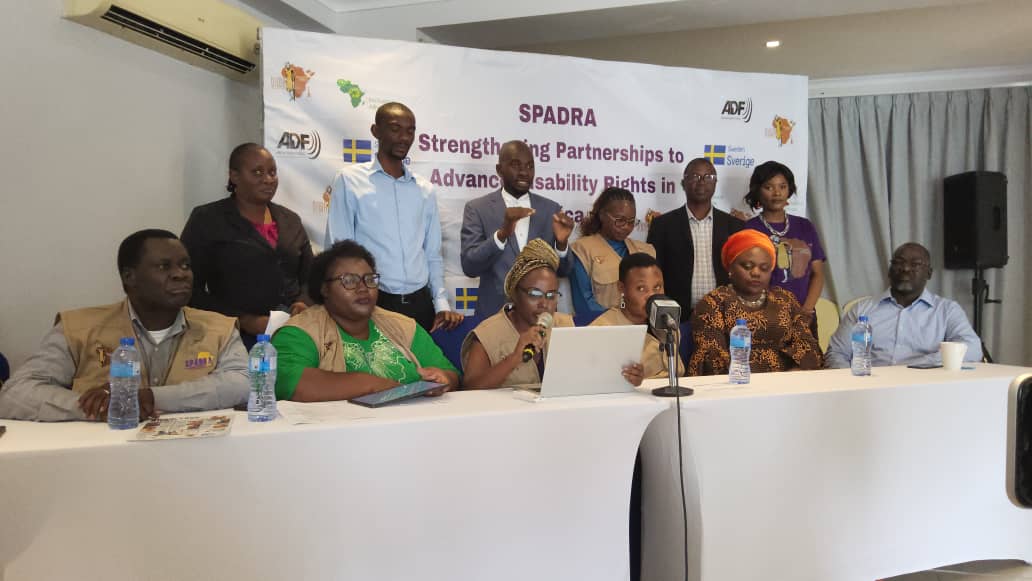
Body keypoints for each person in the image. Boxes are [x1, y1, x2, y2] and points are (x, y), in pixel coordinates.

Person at [0, 230, 249, 422]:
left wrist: (151, 397)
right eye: (164, 266)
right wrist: (97, 407)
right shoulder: (77, 328)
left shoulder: (219, 328)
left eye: (185, 265)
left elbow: (242, 383)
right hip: (100, 460)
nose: (180, 274)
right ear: (129, 277)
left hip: (195, 458)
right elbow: (15, 393)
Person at [324, 102, 463, 333]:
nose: (404, 138)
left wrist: (440, 303)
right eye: (395, 129)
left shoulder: (425, 190)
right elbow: (339, 253)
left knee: (421, 359)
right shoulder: (349, 181)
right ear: (376, 131)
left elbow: (432, 254)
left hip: (420, 304)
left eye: (410, 131)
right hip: (373, 302)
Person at [271, 240, 459, 401]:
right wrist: (372, 385)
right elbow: (290, 384)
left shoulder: (403, 326)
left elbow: (451, 374)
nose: (363, 288)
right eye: (349, 280)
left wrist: (443, 378)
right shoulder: (300, 332)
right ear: (324, 289)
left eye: (369, 279)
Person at [181, 143, 313, 349]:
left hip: (292, 333)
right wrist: (244, 320)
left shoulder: (291, 220)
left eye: (272, 172)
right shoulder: (207, 219)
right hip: (232, 336)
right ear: (234, 176)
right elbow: (189, 288)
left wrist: (302, 303)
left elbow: (310, 277)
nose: (268, 179)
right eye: (257, 172)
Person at [461, 140, 575, 317]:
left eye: (530, 166)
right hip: (494, 316)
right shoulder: (477, 209)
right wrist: (501, 235)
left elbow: (564, 271)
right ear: (499, 170)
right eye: (516, 165)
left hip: (540, 316)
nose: (524, 172)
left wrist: (561, 245)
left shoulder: (550, 210)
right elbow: (470, 267)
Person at [826, 242, 982, 368]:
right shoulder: (862, 309)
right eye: (899, 263)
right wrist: (852, 384)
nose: (906, 269)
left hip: (925, 387)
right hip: (871, 388)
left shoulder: (946, 310)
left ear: (929, 273)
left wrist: (920, 365)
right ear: (889, 270)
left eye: (915, 264)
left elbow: (973, 349)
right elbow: (837, 353)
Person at [689, 230, 823, 375]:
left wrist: (789, 376)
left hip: (787, 380)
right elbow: (712, 359)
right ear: (730, 267)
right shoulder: (713, 303)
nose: (756, 273)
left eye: (764, 268)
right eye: (747, 266)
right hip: (735, 382)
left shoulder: (784, 299)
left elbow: (808, 345)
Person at [460, 239, 579, 389]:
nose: (544, 304)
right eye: (535, 294)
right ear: (514, 294)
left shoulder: (566, 326)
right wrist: (515, 357)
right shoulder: (487, 334)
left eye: (551, 295)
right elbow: (470, 389)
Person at [647, 158, 744, 319]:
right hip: (676, 316)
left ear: (715, 183)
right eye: (695, 176)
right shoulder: (662, 225)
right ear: (683, 183)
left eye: (708, 177)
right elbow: (654, 272)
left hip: (723, 314)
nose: (702, 182)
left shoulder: (734, 226)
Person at [742, 161, 826, 334]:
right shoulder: (749, 229)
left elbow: (817, 273)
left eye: (782, 186)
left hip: (804, 317)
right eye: (769, 187)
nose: (777, 193)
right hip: (764, 319)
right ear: (758, 191)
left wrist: (805, 311)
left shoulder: (805, 226)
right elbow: (745, 279)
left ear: (790, 190)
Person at [589, 253, 682, 380]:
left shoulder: (667, 323)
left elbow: (679, 371)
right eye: (641, 288)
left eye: (657, 287)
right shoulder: (602, 331)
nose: (651, 296)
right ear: (621, 288)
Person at [570, 187, 656, 316]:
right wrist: (621, 320)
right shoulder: (582, 249)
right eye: (620, 220)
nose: (626, 227)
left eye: (631, 222)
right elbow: (584, 305)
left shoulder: (647, 251)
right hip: (601, 325)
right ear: (602, 215)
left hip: (642, 325)